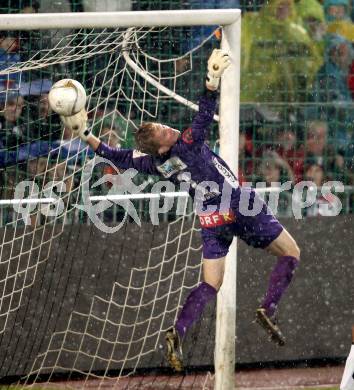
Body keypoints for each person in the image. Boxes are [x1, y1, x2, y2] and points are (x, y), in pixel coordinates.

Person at [60, 49, 300, 371]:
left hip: (211, 219)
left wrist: (86, 134)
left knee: (210, 284)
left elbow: (115, 155)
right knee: (291, 252)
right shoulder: (186, 143)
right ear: (162, 145)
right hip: (238, 204)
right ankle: (267, 308)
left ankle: (179, 330)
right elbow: (204, 111)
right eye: (163, 132)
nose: (169, 129)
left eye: (163, 125)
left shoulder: (154, 163)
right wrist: (211, 80)